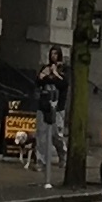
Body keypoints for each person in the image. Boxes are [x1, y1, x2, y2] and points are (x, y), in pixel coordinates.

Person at [35, 49, 68, 177]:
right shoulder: (46, 68)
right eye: (52, 53)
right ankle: (40, 160)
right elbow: (39, 81)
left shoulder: (63, 69)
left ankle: (62, 154)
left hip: (57, 106)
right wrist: (45, 76)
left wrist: (54, 74)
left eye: (56, 54)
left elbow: (63, 84)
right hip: (44, 105)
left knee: (56, 134)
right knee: (41, 134)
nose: (53, 56)